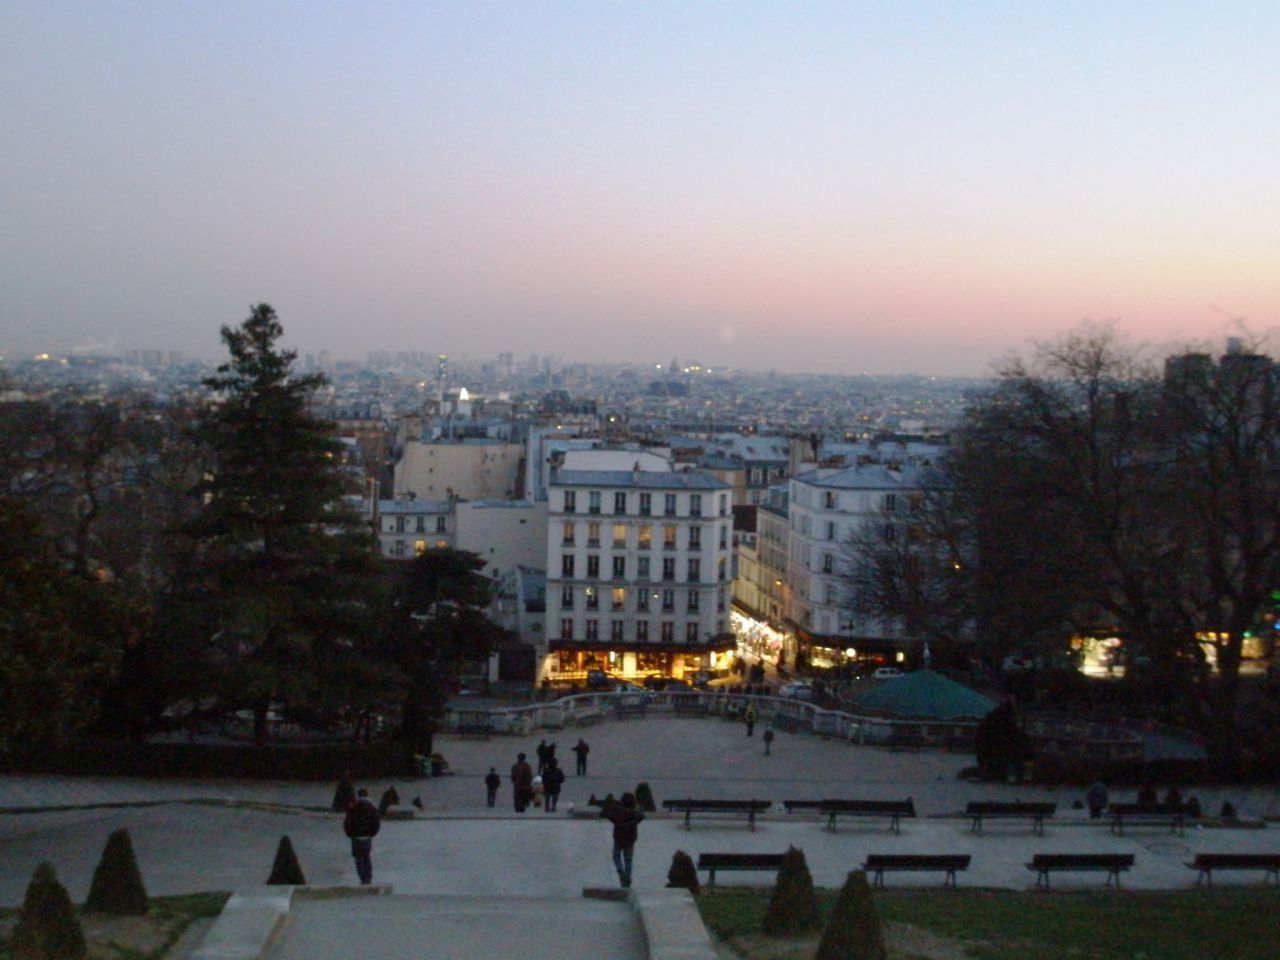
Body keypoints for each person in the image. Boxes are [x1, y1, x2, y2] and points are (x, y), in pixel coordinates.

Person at [601, 791, 644, 888]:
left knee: (616, 855)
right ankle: (627, 881)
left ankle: (621, 871)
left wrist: (611, 807)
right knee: (628, 860)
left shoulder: (617, 812)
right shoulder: (635, 814)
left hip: (619, 838)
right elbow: (641, 816)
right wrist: (639, 810)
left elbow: (607, 814)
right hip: (630, 839)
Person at [342, 787, 381, 884]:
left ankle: (362, 877)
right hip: (367, 838)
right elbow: (376, 823)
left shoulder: (353, 808)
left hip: (356, 838)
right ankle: (368, 877)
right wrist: (372, 833)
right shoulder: (372, 809)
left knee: (358, 858)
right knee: (367, 857)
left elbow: (347, 823)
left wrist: (350, 834)